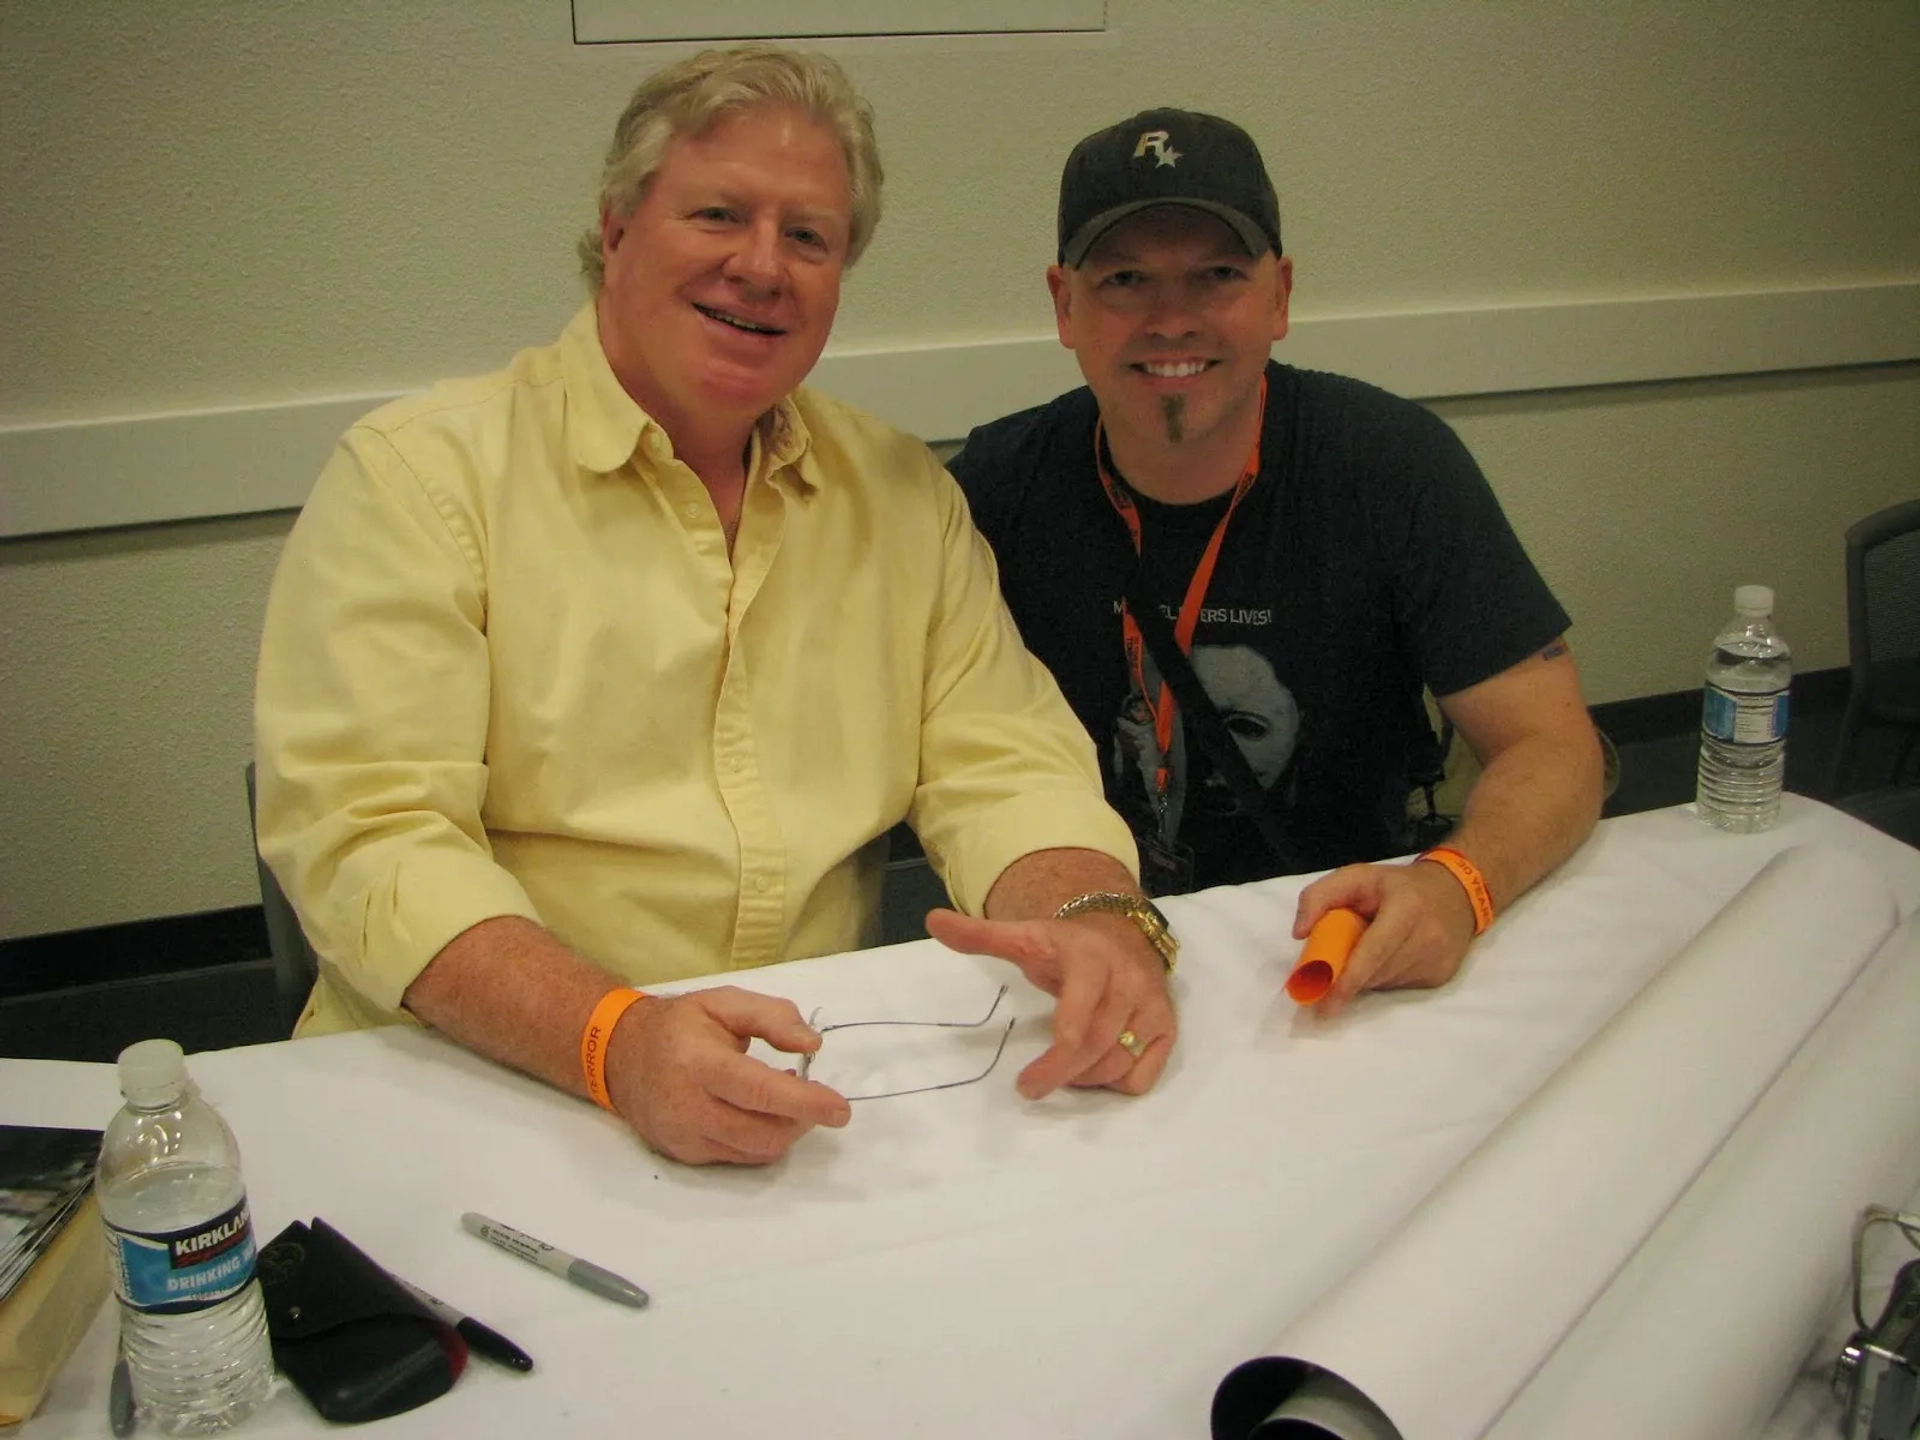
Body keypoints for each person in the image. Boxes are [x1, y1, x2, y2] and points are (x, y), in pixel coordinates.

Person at [252, 46, 1177, 1168]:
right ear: (618, 227)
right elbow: (374, 841)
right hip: (483, 1088)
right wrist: (615, 1040)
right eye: (718, 214)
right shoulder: (421, 480)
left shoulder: (899, 495)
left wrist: (1091, 917)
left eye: (808, 237)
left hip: (803, 1085)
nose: (761, 266)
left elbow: (1004, 762)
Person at [948, 109, 1604, 1016]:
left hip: (1332, 949)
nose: (1171, 320)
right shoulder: (996, 485)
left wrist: (1459, 884)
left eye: (1216, 275)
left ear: (1280, 295)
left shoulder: (1390, 464)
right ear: (1065, 305)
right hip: (1073, 954)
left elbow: (1554, 744)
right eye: (1126, 279)